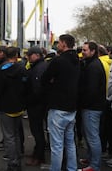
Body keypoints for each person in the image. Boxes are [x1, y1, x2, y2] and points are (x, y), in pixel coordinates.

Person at [41, 34, 80, 171]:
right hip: (72, 107)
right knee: (70, 143)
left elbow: (45, 79)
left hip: (58, 107)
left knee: (56, 145)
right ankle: (72, 168)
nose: (57, 45)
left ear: (64, 44)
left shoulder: (58, 61)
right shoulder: (77, 61)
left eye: (59, 43)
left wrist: (53, 83)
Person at [0, 46, 27, 171]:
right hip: (19, 106)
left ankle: (13, 164)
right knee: (16, 134)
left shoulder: (2, 70)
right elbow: (25, 86)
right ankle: (17, 158)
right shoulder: (22, 68)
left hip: (6, 106)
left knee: (9, 136)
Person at [78, 41, 107, 171]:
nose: (82, 52)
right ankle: (90, 159)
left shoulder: (94, 67)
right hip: (91, 106)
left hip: (92, 107)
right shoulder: (90, 64)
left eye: (85, 50)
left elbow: (92, 90)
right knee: (89, 135)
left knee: (92, 137)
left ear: (93, 51)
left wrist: (83, 103)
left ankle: (94, 165)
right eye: (82, 50)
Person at [25, 46, 48, 166]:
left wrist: (29, 101)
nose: (28, 57)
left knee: (37, 131)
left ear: (37, 55)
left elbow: (37, 90)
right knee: (37, 131)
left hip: (36, 105)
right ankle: (38, 153)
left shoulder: (38, 68)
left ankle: (39, 156)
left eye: (30, 55)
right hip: (39, 104)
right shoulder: (40, 66)